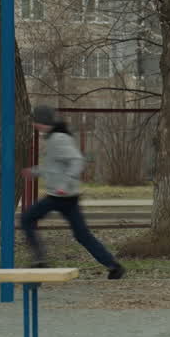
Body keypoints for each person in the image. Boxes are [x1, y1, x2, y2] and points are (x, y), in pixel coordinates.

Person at [22, 105, 127, 279]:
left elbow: (77, 161)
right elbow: (53, 167)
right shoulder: (53, 137)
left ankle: (39, 259)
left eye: (35, 122)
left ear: (42, 122)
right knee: (82, 235)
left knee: (27, 219)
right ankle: (114, 266)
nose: (34, 125)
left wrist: (64, 183)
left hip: (61, 195)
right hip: (64, 197)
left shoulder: (58, 139)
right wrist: (33, 172)